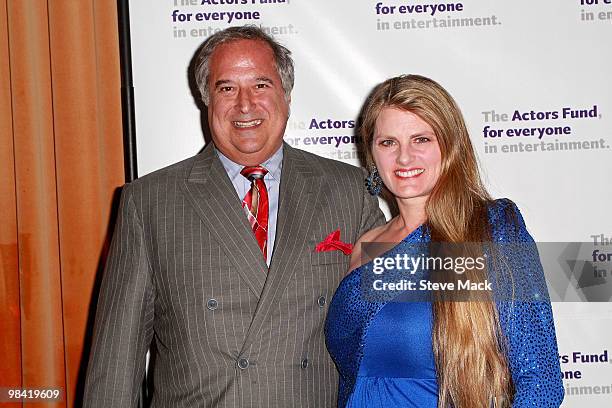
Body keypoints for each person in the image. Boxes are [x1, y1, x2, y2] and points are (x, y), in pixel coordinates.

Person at [83, 26, 384, 407]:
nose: (245, 105)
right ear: (206, 99)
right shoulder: (149, 202)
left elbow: (402, 307)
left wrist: (469, 242)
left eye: (261, 85)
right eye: (227, 88)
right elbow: (116, 361)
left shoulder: (348, 189)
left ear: (286, 96)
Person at [325, 75, 564, 408]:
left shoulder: (491, 229)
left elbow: (541, 382)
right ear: (371, 153)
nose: (404, 158)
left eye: (421, 139)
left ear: (449, 146)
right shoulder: (366, 245)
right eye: (388, 142)